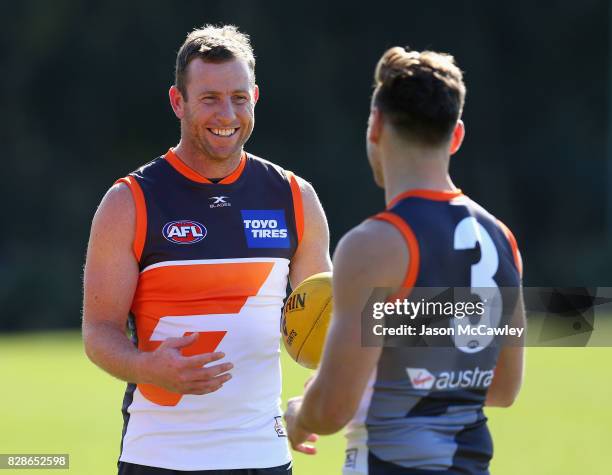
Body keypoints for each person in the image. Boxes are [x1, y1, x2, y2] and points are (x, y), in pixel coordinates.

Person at [82, 24, 331, 475]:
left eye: (239, 97)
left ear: (255, 96)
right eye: (210, 98)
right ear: (178, 101)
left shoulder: (295, 197)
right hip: (158, 458)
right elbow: (99, 334)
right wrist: (150, 367)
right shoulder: (130, 200)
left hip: (264, 457)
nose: (227, 114)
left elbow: (322, 318)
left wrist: (316, 393)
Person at [284, 47, 525, 474]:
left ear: (375, 125)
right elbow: (504, 387)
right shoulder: (501, 237)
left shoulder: (374, 244)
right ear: (456, 135)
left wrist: (300, 416)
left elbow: (332, 409)